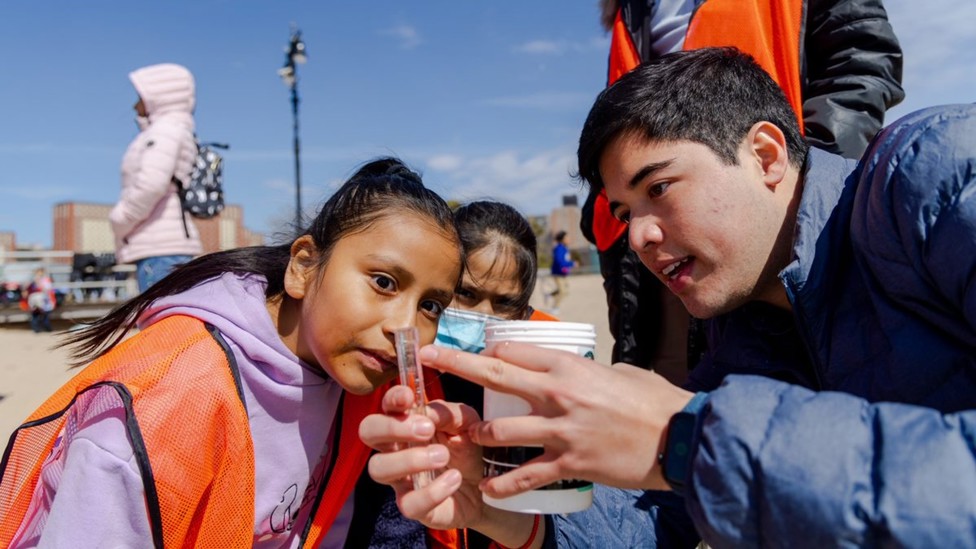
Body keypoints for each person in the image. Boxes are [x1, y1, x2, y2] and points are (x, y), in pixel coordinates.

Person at [361, 49, 976, 547]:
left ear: (765, 154)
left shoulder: (934, 179)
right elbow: (652, 519)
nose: (638, 237)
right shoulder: (742, 336)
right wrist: (504, 510)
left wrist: (686, 440)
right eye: (625, 212)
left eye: (659, 186)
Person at [0, 157, 466, 547]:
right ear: (303, 267)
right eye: (383, 282)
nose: (406, 328)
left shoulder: (359, 384)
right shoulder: (165, 401)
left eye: (430, 306)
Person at [582, 0, 905, 383]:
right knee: (680, 390)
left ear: (767, 153)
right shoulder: (630, 9)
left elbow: (862, 56)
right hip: (663, 259)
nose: (639, 236)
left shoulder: (923, 203)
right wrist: (607, 207)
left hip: (772, 213)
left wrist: (804, 183)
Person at [349, 200, 556, 548]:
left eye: (503, 303)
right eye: (466, 294)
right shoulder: (393, 369)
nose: (482, 314)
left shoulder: (540, 386)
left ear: (523, 313)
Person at [109, 62, 202, 293]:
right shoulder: (174, 130)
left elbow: (151, 184)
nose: (135, 105)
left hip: (160, 247)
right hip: (167, 245)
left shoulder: (164, 131)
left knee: (160, 327)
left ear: (160, 97)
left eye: (141, 96)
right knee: (171, 325)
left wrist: (120, 219)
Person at [546, 231, 576, 315]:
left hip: (563, 274)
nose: (568, 239)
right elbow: (560, 261)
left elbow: (565, 260)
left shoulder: (565, 248)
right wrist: (572, 263)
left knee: (565, 291)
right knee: (563, 291)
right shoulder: (559, 248)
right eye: (567, 238)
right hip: (558, 273)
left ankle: (550, 295)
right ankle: (555, 307)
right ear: (562, 239)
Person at [24, 267, 55, 333]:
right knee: (37, 314)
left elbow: (48, 289)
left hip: (42, 298)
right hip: (37, 298)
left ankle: (45, 328)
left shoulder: (44, 280)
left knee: (43, 314)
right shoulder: (33, 280)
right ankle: (38, 328)